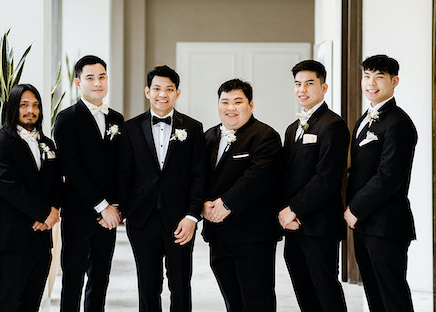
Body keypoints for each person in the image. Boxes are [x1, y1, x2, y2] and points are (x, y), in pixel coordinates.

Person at [118, 65, 207, 312]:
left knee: (180, 284)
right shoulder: (131, 128)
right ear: (147, 91)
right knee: (147, 285)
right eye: (157, 88)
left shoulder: (193, 128)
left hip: (180, 220)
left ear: (178, 93)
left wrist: (192, 216)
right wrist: (126, 212)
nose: (162, 94)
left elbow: (199, 175)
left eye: (169, 89)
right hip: (142, 220)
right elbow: (123, 174)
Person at [202, 79, 283, 312]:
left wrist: (226, 204)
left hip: (252, 236)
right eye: (225, 102)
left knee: (257, 300)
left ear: (251, 105)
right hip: (218, 234)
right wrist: (202, 205)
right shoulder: (209, 136)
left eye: (238, 102)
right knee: (232, 301)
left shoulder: (265, 136)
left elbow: (257, 178)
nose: (230, 108)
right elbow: (199, 175)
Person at [344, 55, 417, 312]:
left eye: (379, 77)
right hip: (366, 225)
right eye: (367, 76)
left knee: (392, 295)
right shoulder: (364, 119)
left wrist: (354, 209)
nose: (371, 83)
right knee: (374, 294)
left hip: (386, 225)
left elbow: (389, 177)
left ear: (394, 81)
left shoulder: (398, 123)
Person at [53, 55, 124, 312]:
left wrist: (115, 207)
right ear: (78, 82)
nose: (97, 83)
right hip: (79, 213)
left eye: (102, 77)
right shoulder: (66, 119)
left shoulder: (117, 119)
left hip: (109, 217)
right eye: (90, 77)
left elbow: (121, 168)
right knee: (72, 279)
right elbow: (72, 168)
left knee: (100, 278)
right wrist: (101, 205)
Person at [278, 60, 349, 312]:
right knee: (304, 290)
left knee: (325, 290)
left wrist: (293, 209)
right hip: (294, 226)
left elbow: (326, 178)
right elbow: (286, 176)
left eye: (309, 83)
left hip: (320, 226)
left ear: (324, 87)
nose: (302, 89)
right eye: (298, 84)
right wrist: (284, 213)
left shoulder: (333, 125)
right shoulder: (292, 129)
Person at [0, 84, 62, 312]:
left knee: (32, 303)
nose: (31, 110)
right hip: (11, 239)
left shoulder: (47, 144)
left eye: (35, 105)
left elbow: (57, 181)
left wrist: (54, 209)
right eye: (24, 105)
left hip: (41, 239)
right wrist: (43, 213)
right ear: (13, 108)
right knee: (7, 302)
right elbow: (9, 188)